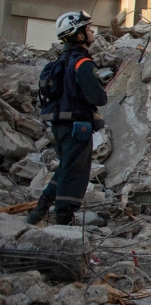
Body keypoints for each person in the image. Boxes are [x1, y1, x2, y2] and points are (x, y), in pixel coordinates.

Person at [27, 12, 107, 226]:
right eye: (88, 29)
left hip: (60, 125)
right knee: (76, 173)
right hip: (78, 126)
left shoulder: (60, 61)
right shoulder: (82, 63)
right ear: (79, 36)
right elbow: (98, 97)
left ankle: (42, 207)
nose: (92, 31)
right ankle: (64, 217)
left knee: (66, 167)